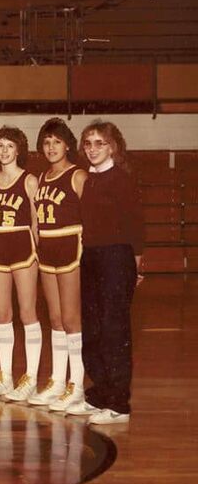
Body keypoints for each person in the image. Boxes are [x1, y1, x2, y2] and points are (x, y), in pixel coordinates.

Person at [70, 120, 144, 424]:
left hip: (117, 257)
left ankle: (118, 404)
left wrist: (135, 266)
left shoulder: (122, 179)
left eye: (99, 143)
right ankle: (100, 393)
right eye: (88, 143)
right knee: (93, 328)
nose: (92, 149)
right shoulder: (90, 180)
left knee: (114, 331)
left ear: (112, 146)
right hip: (92, 256)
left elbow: (135, 225)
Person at [26, 118, 87, 411]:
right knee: (55, 319)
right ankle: (58, 381)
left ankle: (77, 384)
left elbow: (93, 217)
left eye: (56, 142)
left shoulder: (78, 175)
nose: (51, 148)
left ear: (67, 145)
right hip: (47, 248)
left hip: (70, 245)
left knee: (72, 319)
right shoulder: (42, 177)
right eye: (47, 142)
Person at [0, 126, 42, 399]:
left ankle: (30, 377)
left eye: (9, 146)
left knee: (27, 313)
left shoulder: (29, 180)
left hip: (22, 244)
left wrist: (40, 250)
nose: (4, 151)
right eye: (0, 146)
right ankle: (5, 375)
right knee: (2, 314)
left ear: (19, 150)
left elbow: (37, 219)